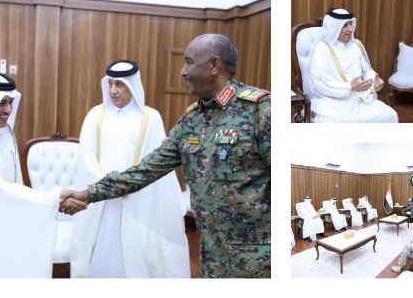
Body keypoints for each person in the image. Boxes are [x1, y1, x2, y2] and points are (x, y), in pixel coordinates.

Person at [61, 34, 271, 278]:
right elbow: (146, 170)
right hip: (212, 251)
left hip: (257, 252)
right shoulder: (192, 120)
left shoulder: (260, 111)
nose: (183, 71)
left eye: (189, 62)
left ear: (214, 65)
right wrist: (88, 194)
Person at [71, 60, 190, 278]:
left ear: (132, 85)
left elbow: (156, 163)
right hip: (103, 198)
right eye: (110, 84)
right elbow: (86, 155)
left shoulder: (150, 118)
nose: (113, 91)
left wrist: (126, 186)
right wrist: (108, 184)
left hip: (137, 197)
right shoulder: (96, 115)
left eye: (120, 85)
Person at [0, 71, 85, 277]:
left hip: (10, 219)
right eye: (1, 103)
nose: (9, 109)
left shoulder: (6, 133)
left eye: (11, 102)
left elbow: (15, 183)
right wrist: (53, 198)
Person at [308, 8, 399, 122]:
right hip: (332, 102)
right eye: (345, 25)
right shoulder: (322, 49)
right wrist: (349, 87)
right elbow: (317, 84)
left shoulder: (356, 45)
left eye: (350, 24)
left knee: (390, 115)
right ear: (334, 28)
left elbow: (366, 71)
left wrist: (374, 80)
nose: (350, 29)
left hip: (359, 99)